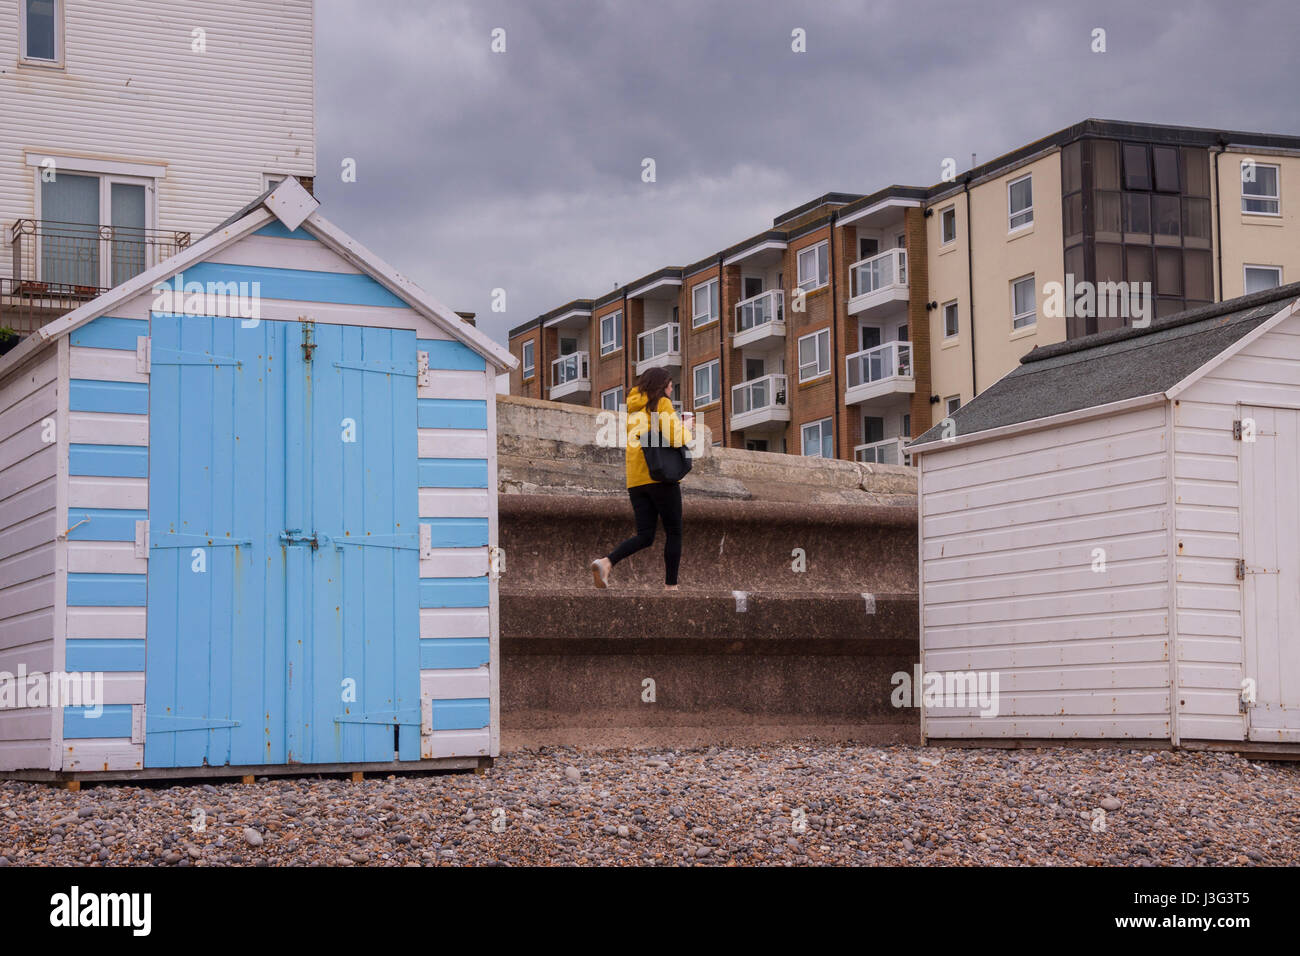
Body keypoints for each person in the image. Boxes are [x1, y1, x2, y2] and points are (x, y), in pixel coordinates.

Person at [590, 366, 693, 591]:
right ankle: (671, 587)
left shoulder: (633, 409)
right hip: (660, 477)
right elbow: (675, 438)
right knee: (674, 531)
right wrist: (687, 428)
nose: (671, 387)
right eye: (669, 384)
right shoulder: (662, 404)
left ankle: (607, 562)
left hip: (636, 481)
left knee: (645, 535)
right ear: (661, 386)